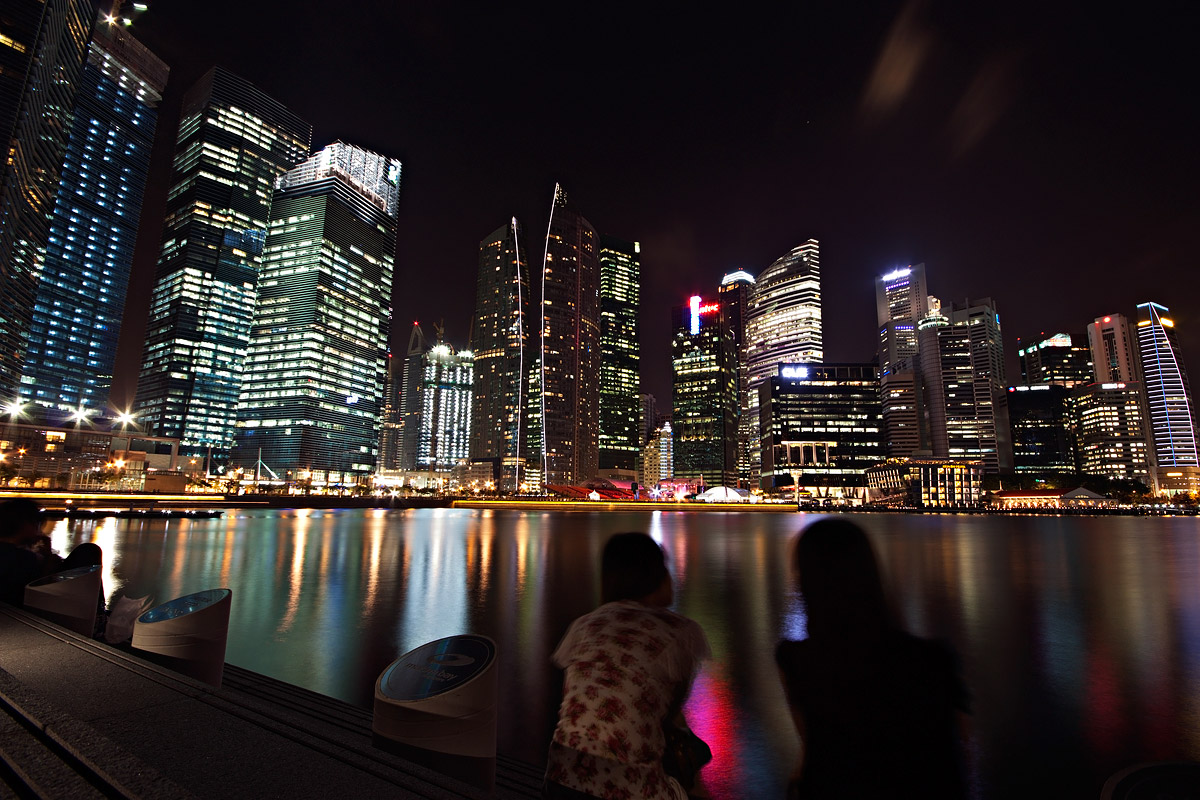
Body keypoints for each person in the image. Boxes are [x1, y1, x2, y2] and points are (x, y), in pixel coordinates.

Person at [776, 518, 970, 799]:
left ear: (806, 580)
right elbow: (955, 746)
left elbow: (811, 745)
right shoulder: (933, 659)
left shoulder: (796, 659)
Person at [544, 532, 710, 800]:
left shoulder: (585, 625)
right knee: (691, 765)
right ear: (656, 575)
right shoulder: (681, 632)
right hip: (629, 790)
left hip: (560, 780)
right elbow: (671, 712)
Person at [0, 499, 103, 610]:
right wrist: (48, 556)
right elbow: (42, 586)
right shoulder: (21, 558)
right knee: (89, 551)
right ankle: (98, 611)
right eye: (36, 524)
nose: (38, 530)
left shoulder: (16, 553)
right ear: (25, 524)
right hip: (21, 610)